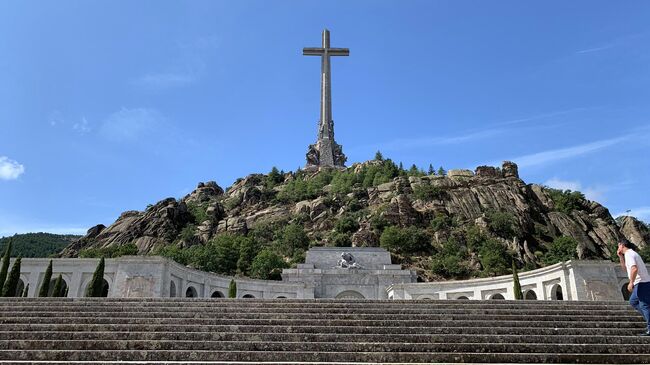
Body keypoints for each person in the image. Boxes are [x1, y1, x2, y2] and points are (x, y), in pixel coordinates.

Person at [617, 239, 650, 336]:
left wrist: (631, 282)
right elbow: (625, 269)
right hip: (641, 283)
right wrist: (620, 257)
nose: (618, 248)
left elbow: (634, 268)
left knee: (644, 305)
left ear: (622, 245)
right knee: (633, 301)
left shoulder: (629, 254)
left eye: (618, 246)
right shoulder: (628, 255)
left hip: (641, 283)